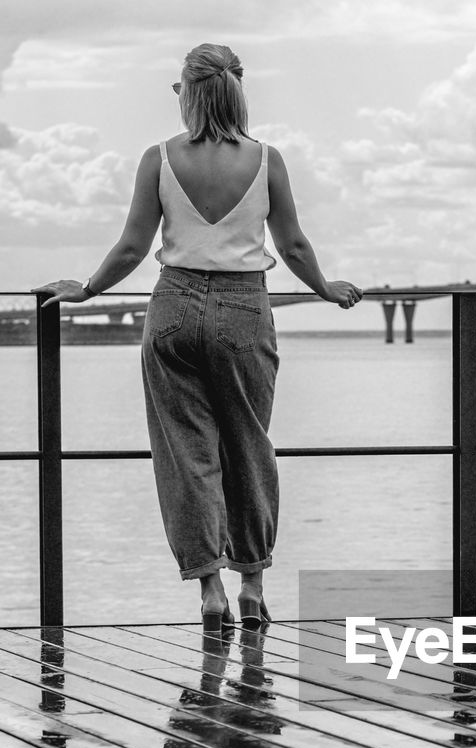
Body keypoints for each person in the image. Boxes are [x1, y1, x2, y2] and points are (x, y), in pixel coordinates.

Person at [34, 42, 362, 632]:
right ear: (237, 90)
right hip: (245, 309)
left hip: (174, 307)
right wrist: (325, 289)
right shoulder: (267, 160)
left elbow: (133, 247)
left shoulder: (158, 158)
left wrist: (87, 288)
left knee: (187, 456)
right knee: (249, 446)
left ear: (187, 94)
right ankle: (253, 585)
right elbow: (293, 246)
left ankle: (209, 589)